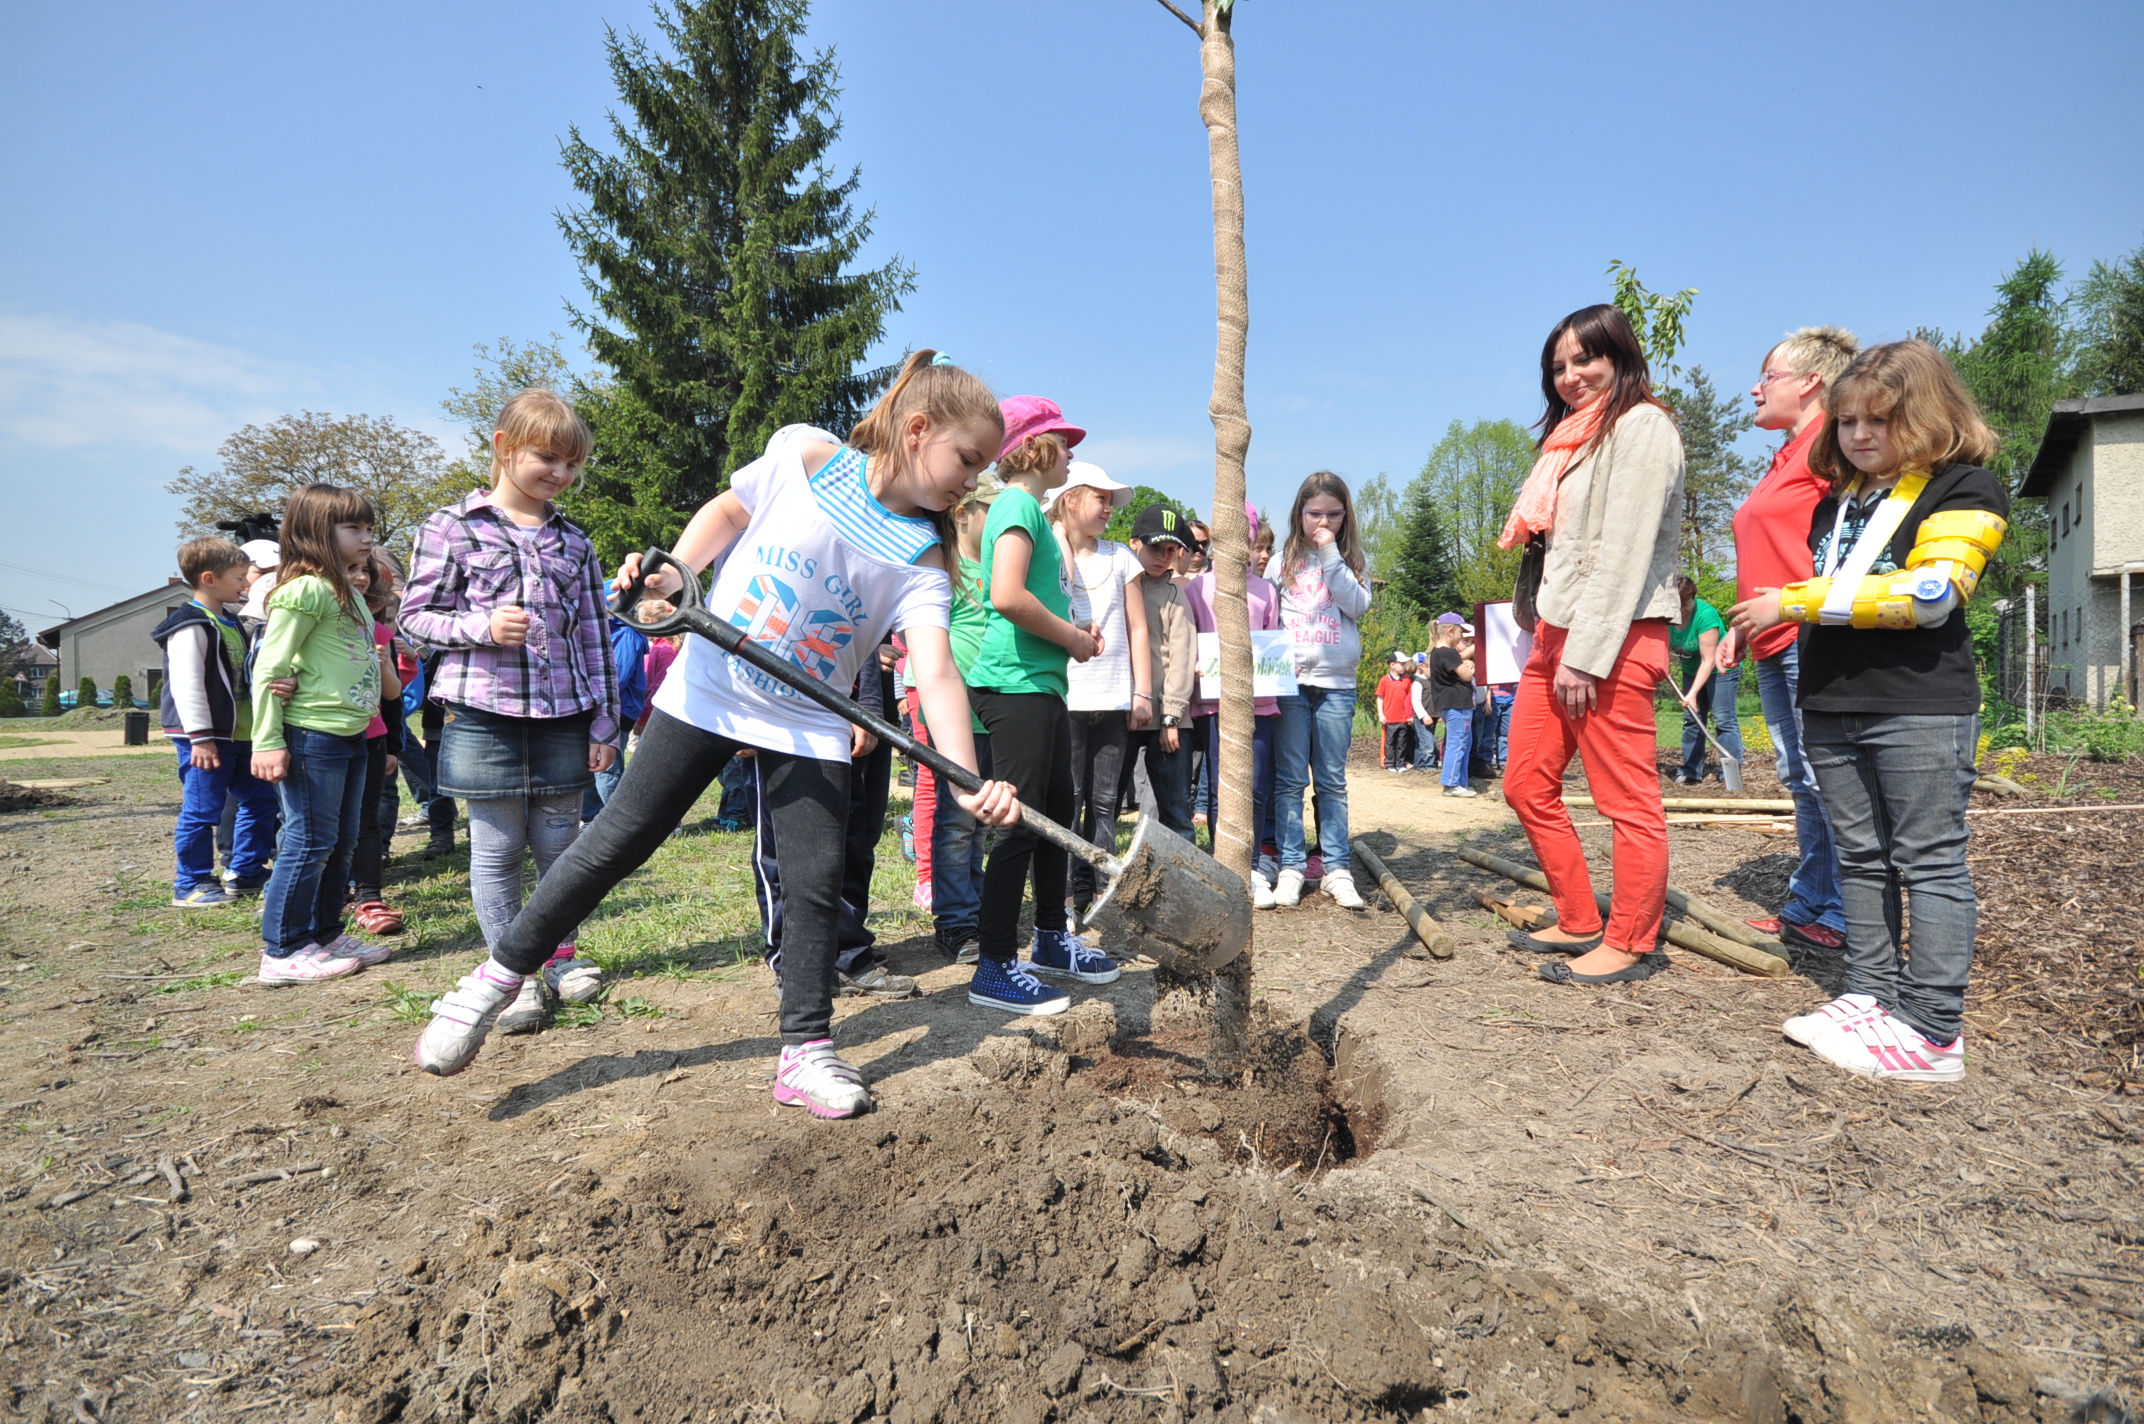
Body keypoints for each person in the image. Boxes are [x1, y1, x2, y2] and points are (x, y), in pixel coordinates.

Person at [412, 351, 1020, 1119]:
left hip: (810, 723)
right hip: (709, 690)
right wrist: (673, 572)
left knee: (813, 884)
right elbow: (729, 514)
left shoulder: (922, 555)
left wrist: (965, 776)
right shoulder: (805, 456)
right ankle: (492, 981)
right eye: (967, 459)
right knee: (616, 841)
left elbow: (934, 672)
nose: (973, 479)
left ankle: (804, 1051)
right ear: (918, 428)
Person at [1729, 341, 2008, 1082]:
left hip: (1918, 705)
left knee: (1930, 860)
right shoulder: (1837, 500)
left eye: (1879, 420)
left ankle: (1933, 1029)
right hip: (1831, 700)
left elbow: (1931, 595)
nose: (1858, 434)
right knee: (1862, 858)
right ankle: (1872, 994)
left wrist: (1790, 601)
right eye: (1848, 420)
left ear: (1925, 416)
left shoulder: (1964, 488)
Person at [399, 388, 621, 1035]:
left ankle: (561, 958)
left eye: (572, 464)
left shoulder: (575, 544)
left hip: (563, 716)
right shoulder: (452, 528)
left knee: (560, 846)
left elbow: (594, 638)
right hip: (483, 716)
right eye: (547, 457)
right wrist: (480, 626)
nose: (560, 474)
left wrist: (604, 721)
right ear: (503, 447)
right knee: (496, 850)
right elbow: (413, 620)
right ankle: (512, 974)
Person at [1498, 304, 1685, 987]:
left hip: (1614, 636)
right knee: (1524, 784)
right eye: (1558, 366)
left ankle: (1631, 940)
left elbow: (1625, 552)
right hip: (1558, 633)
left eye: (1585, 359)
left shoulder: (1642, 428)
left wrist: (1586, 650)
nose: (1570, 375)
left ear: (1622, 356)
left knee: (1626, 801)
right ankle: (1577, 916)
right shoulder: (1573, 440)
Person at [967, 396, 1118, 1011]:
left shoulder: (1031, 509)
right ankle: (994, 964)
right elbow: (1004, 595)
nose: (1073, 451)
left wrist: (1072, 636)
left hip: (1043, 685)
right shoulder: (1016, 503)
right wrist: (1075, 638)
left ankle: (1052, 940)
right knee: (1019, 823)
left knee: (1055, 815)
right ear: (1033, 445)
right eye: (1064, 439)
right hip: (1014, 683)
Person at [1715, 325, 1861, 953]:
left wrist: (1796, 610)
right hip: (1773, 644)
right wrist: (1740, 630)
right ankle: (1812, 901)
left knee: (1830, 778)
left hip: (1811, 639)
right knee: (1801, 777)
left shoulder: (1831, 450)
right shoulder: (1787, 454)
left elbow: (1850, 550)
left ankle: (1847, 914)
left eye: (1768, 375)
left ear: (1811, 383)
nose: (1754, 388)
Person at [248, 484, 391, 983]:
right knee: (308, 841)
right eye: (353, 528)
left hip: (353, 736)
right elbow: (271, 666)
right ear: (314, 532)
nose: (366, 537)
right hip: (313, 736)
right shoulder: (303, 590)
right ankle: (282, 948)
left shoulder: (348, 591)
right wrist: (267, 740)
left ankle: (325, 934)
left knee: (342, 840)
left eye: (370, 528)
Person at [1265, 472, 1372, 911]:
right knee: (1289, 780)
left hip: (1337, 684)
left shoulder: (1354, 559)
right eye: (1314, 514)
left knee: (1331, 780)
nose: (1322, 521)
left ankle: (1336, 868)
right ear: (1300, 513)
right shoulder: (1280, 561)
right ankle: (1291, 866)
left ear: (1345, 516)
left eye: (1333, 513)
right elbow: (1265, 616)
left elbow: (1358, 606)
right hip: (1290, 683)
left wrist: (1330, 555)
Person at [154, 537, 279, 908]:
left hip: (241, 734)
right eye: (239, 577)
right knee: (202, 809)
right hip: (206, 738)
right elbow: (187, 685)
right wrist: (200, 739)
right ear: (209, 578)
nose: (246, 584)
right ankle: (189, 883)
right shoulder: (191, 625)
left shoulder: (233, 621)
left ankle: (246, 871)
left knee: (259, 800)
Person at [1049, 462, 1150, 918]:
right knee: (1066, 800)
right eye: (1100, 498)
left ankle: (1102, 895)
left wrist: (1142, 692)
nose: (1109, 508)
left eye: (1112, 500)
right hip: (1066, 697)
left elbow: (1138, 628)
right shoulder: (1047, 552)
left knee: (1106, 803)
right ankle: (1066, 895)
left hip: (1112, 698)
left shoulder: (1121, 558)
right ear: (1071, 499)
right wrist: (1059, 536)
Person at [1183, 509, 1283, 904]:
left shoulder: (1266, 590)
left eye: (1246, 537)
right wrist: (1194, 664)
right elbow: (1189, 638)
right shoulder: (1198, 589)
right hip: (1213, 702)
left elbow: (1273, 643)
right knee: (1220, 788)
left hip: (1259, 703)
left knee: (1257, 786)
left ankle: (1254, 866)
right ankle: (1224, 864)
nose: (1238, 545)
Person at [927, 474, 1007, 964]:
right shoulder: (945, 566)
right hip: (954, 715)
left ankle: (974, 910)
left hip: (991, 711)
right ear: (964, 514)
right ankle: (955, 922)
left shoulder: (998, 566)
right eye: (992, 513)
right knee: (956, 824)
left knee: (980, 824)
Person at [1125, 503, 1197, 836]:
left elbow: (1181, 658)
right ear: (1134, 543)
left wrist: (1171, 718)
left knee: (1176, 813)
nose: (1163, 557)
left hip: (1168, 721)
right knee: (1104, 806)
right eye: (1155, 547)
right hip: (1122, 713)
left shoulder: (1175, 596)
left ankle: (1185, 882)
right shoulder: (1121, 587)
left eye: (1171, 550)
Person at [346, 552, 406, 935]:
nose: (360, 578)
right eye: (350, 570)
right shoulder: (307, 624)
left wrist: (394, 746)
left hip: (371, 739)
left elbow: (393, 696)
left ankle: (369, 896)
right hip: (318, 739)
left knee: (365, 821)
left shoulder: (382, 635)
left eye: (363, 572)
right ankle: (322, 896)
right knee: (318, 827)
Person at [1668, 575, 1743, 786]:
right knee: (1692, 718)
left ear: (1693, 597)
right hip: (1691, 671)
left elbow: (1709, 660)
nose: (1682, 610)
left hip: (1721, 669)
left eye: (1686, 604)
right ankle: (1691, 771)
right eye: (1677, 605)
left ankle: (1728, 772)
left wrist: (1692, 694)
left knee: (1723, 718)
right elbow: (1661, 647)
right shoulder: (1667, 616)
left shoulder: (1705, 614)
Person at [583, 607, 651, 822]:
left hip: (618, 710)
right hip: (603, 708)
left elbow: (616, 678)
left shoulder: (625, 634)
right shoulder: (610, 631)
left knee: (607, 769)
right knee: (593, 765)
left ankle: (620, 824)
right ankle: (592, 819)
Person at [1427, 614, 1479, 797]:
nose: (1462, 636)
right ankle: (1451, 783)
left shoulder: (1439, 652)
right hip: (1458, 704)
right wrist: (1470, 668)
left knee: (1462, 741)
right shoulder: (1448, 653)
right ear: (1451, 631)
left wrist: (1474, 647)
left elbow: (1460, 657)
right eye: (1460, 632)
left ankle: (1459, 782)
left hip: (1450, 704)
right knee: (1458, 743)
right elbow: (1466, 675)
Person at [1376, 654, 1416, 772]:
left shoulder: (1407, 680)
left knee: (1402, 742)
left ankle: (1400, 763)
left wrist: (1410, 715)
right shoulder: (1384, 680)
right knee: (1390, 742)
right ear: (1392, 665)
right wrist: (1381, 714)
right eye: (1402, 664)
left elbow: (1410, 697)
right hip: (1390, 718)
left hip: (1403, 718)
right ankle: (1389, 763)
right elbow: (1380, 697)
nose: (1404, 666)